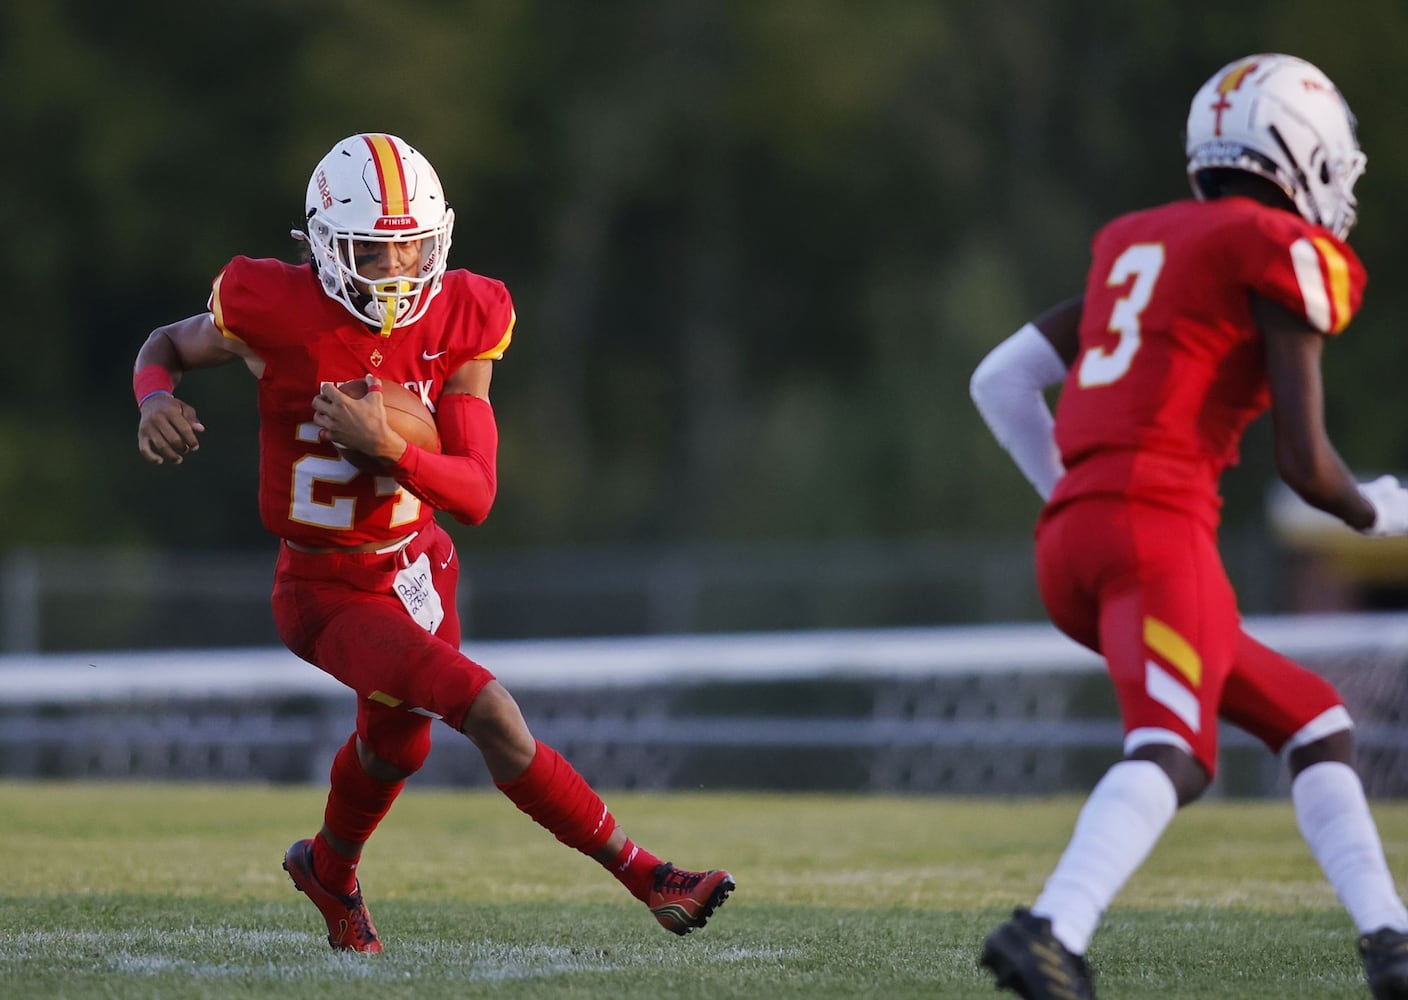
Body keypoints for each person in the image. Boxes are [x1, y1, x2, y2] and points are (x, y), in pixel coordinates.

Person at [133, 133, 734, 953]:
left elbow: (476, 494)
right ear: (327, 247)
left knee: (397, 748)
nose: (396, 269)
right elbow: (166, 344)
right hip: (325, 589)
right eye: (372, 252)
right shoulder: (270, 305)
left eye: (411, 246)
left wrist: (390, 449)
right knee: (489, 709)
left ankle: (328, 871)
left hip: (418, 564)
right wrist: (153, 398)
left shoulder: (464, 314)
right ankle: (649, 876)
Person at [969, 55, 1408, 1000]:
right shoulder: (1273, 248)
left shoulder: (1138, 242)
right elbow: (1307, 466)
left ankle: (1391, 940)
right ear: (1303, 154)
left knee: (1314, 720)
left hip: (1074, 542)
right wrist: (1384, 510)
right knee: (1174, 749)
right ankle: (1052, 928)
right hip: (1155, 532)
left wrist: (1073, 497)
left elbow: (1000, 380)